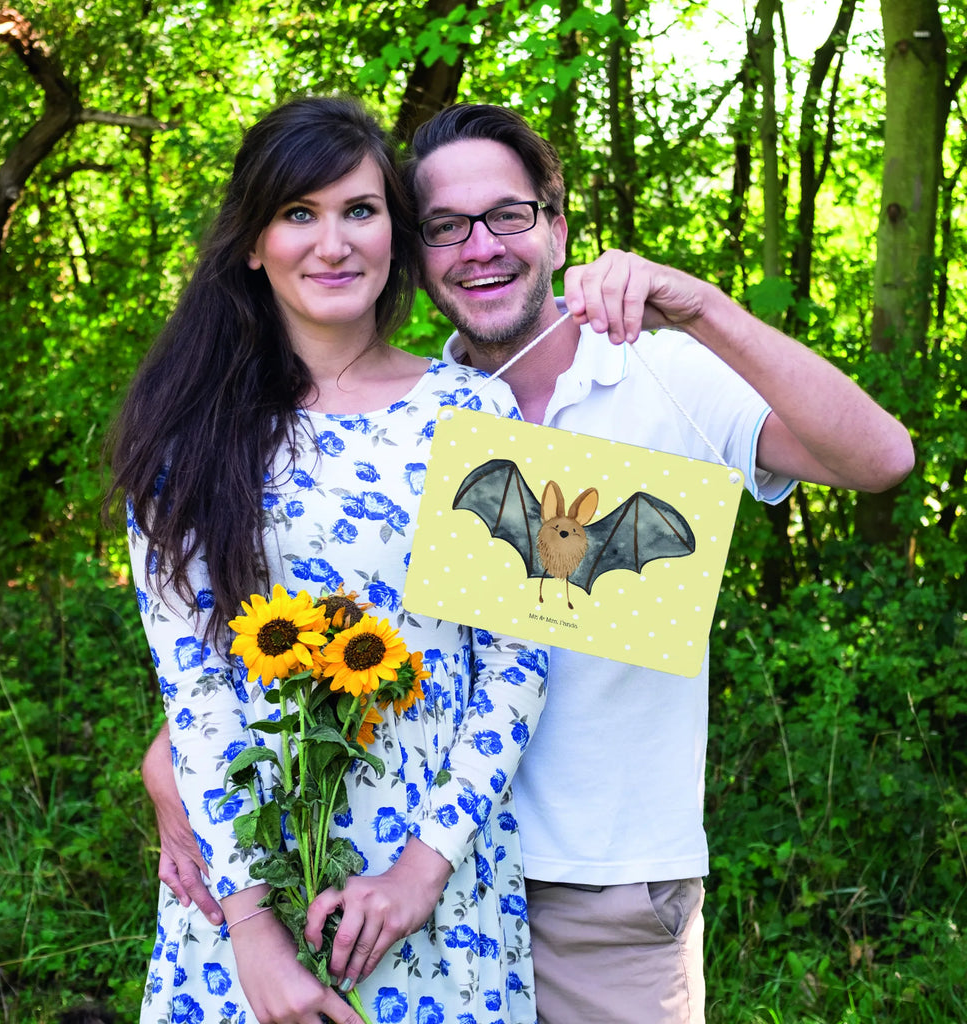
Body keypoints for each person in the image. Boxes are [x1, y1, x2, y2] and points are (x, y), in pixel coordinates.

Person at [145, 102, 915, 1024]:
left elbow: (882, 459)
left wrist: (701, 306)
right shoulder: (423, 412)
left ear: (557, 227)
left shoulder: (656, 373)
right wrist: (176, 756)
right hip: (382, 869)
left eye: (507, 215)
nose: (480, 247)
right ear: (417, 249)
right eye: (446, 226)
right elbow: (287, 620)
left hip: (597, 885)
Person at [108, 96, 552, 1024]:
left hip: (436, 883)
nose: (334, 243)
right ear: (252, 242)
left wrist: (421, 872)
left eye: (360, 210)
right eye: (298, 213)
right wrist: (254, 935)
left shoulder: (475, 411)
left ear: (396, 230)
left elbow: (516, 664)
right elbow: (196, 690)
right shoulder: (187, 437)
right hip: (247, 880)